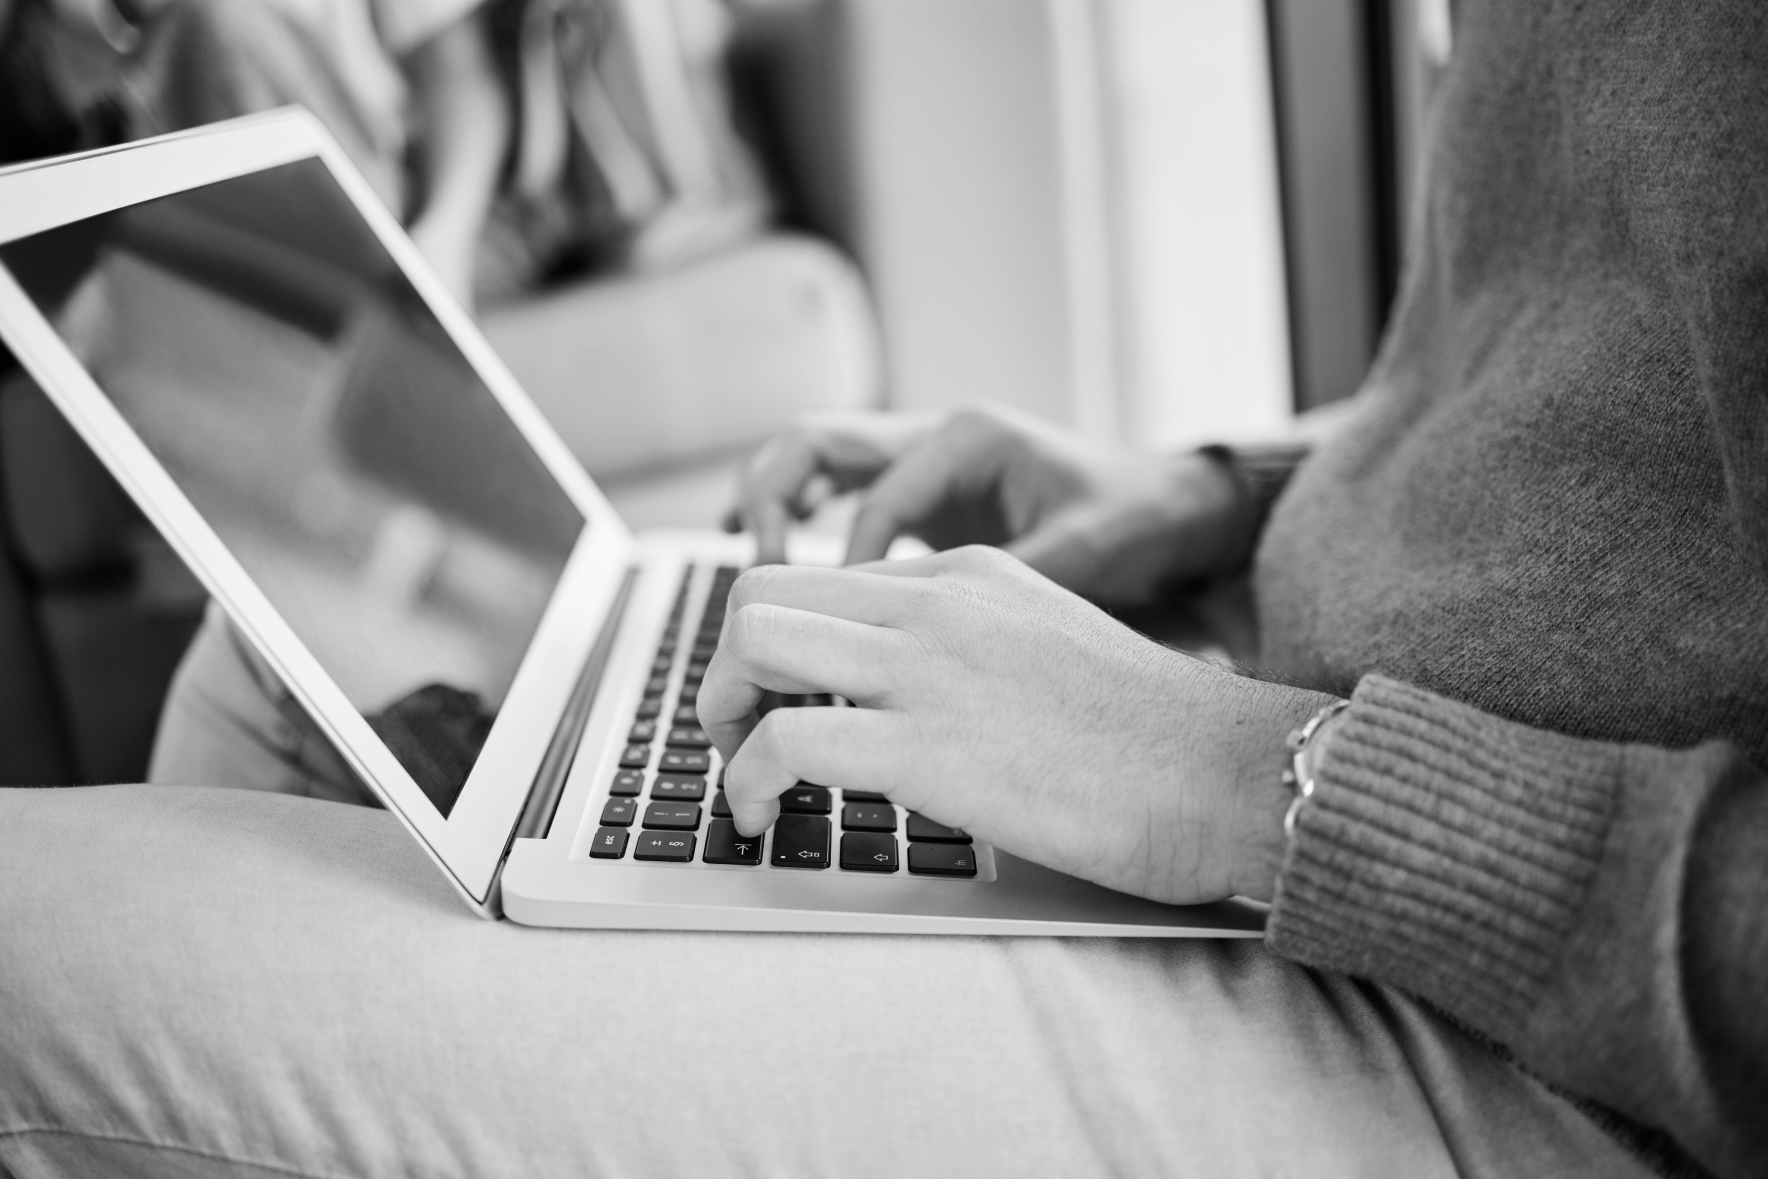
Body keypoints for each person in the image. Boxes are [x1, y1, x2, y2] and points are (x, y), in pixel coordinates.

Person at [1, 1, 1763, 1177]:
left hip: (1523, 1023)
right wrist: (1221, 491)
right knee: (277, 665)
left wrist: (1250, 779)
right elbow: (1580, 365)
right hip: (1303, 685)